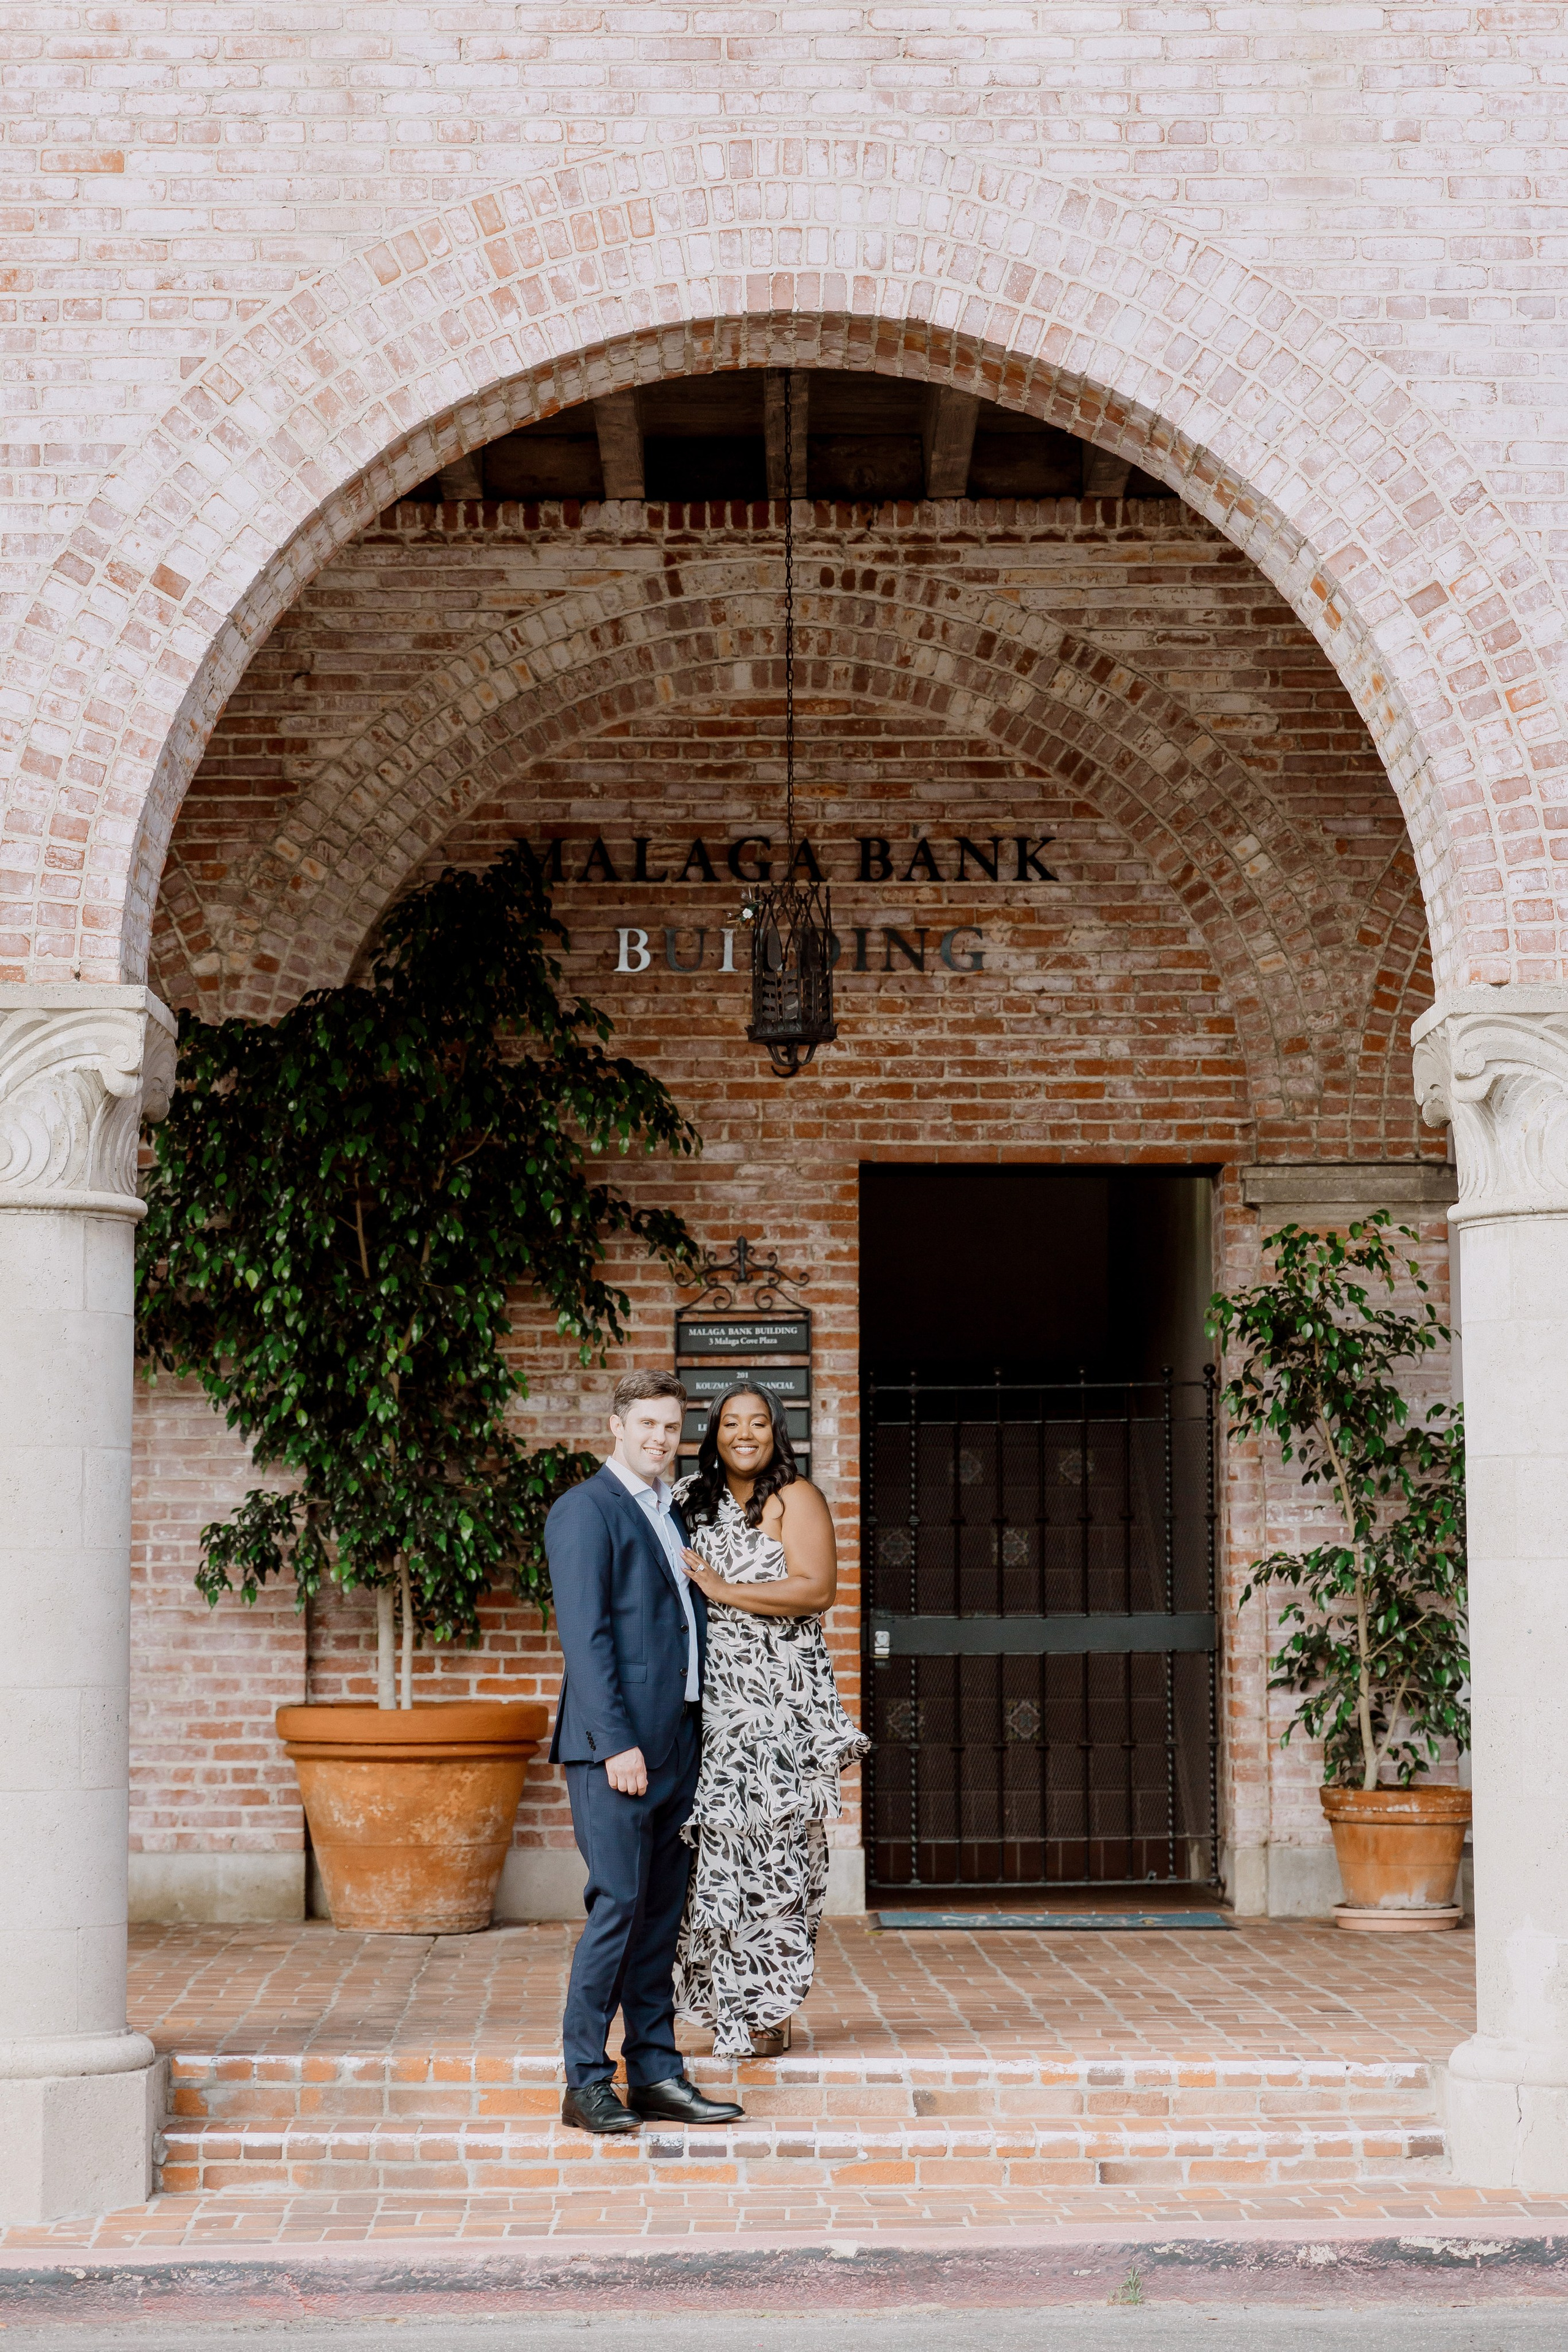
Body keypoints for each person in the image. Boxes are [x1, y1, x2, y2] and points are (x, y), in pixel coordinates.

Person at [545, 1370, 745, 2136]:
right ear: (617, 1426)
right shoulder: (586, 1510)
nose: (660, 1439)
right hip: (618, 1751)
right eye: (647, 1426)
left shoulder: (668, 1511)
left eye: (670, 1427)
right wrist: (616, 1742)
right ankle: (586, 2081)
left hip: (677, 1744)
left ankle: (656, 2072)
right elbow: (587, 1640)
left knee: (659, 1915)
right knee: (618, 1908)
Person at [674, 1384, 869, 2059]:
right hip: (713, 1707)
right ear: (713, 1433)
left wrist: (725, 1590)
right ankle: (722, 2004)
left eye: (759, 1421)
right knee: (715, 1859)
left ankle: (769, 2006)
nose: (745, 1433)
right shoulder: (687, 1502)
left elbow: (818, 1588)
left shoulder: (797, 1498)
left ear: (777, 1430)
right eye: (731, 1422)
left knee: (779, 1857)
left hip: (780, 1707)